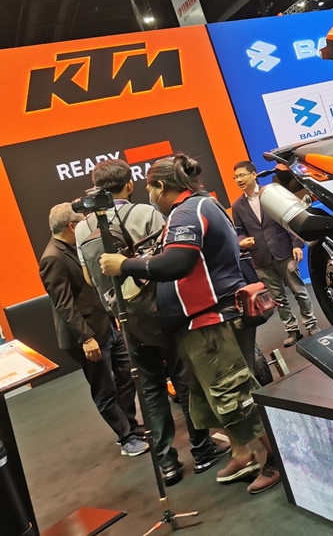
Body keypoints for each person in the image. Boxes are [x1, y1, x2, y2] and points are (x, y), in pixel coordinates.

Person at [99, 154, 281, 495]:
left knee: (234, 395)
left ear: (161, 186)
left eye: (151, 188)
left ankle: (278, 460)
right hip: (202, 321)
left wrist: (125, 264)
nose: (149, 194)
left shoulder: (188, 211)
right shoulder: (194, 207)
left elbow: (178, 263)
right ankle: (242, 453)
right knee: (210, 396)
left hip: (214, 320)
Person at [75, 159, 228, 486]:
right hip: (162, 309)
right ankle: (202, 451)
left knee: (150, 387)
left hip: (125, 316)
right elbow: (167, 260)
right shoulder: (147, 212)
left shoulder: (81, 227)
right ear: (129, 185)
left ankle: (167, 464)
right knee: (183, 377)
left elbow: (90, 278)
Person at [39, 203, 149, 458]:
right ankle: (126, 438)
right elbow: (64, 305)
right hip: (86, 336)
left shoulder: (73, 247)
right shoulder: (52, 258)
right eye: (81, 223)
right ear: (72, 226)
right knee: (104, 388)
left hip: (106, 326)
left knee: (125, 375)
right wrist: (87, 338)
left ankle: (131, 426)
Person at [231, 161, 319, 347]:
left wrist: (297, 244)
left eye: (242, 175)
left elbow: (291, 217)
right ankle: (292, 330)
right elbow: (239, 231)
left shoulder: (271, 193)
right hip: (260, 257)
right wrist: (242, 241)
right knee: (278, 299)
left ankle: (311, 323)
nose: (238, 179)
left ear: (254, 175)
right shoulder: (237, 205)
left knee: (299, 291)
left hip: (284, 251)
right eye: (236, 177)